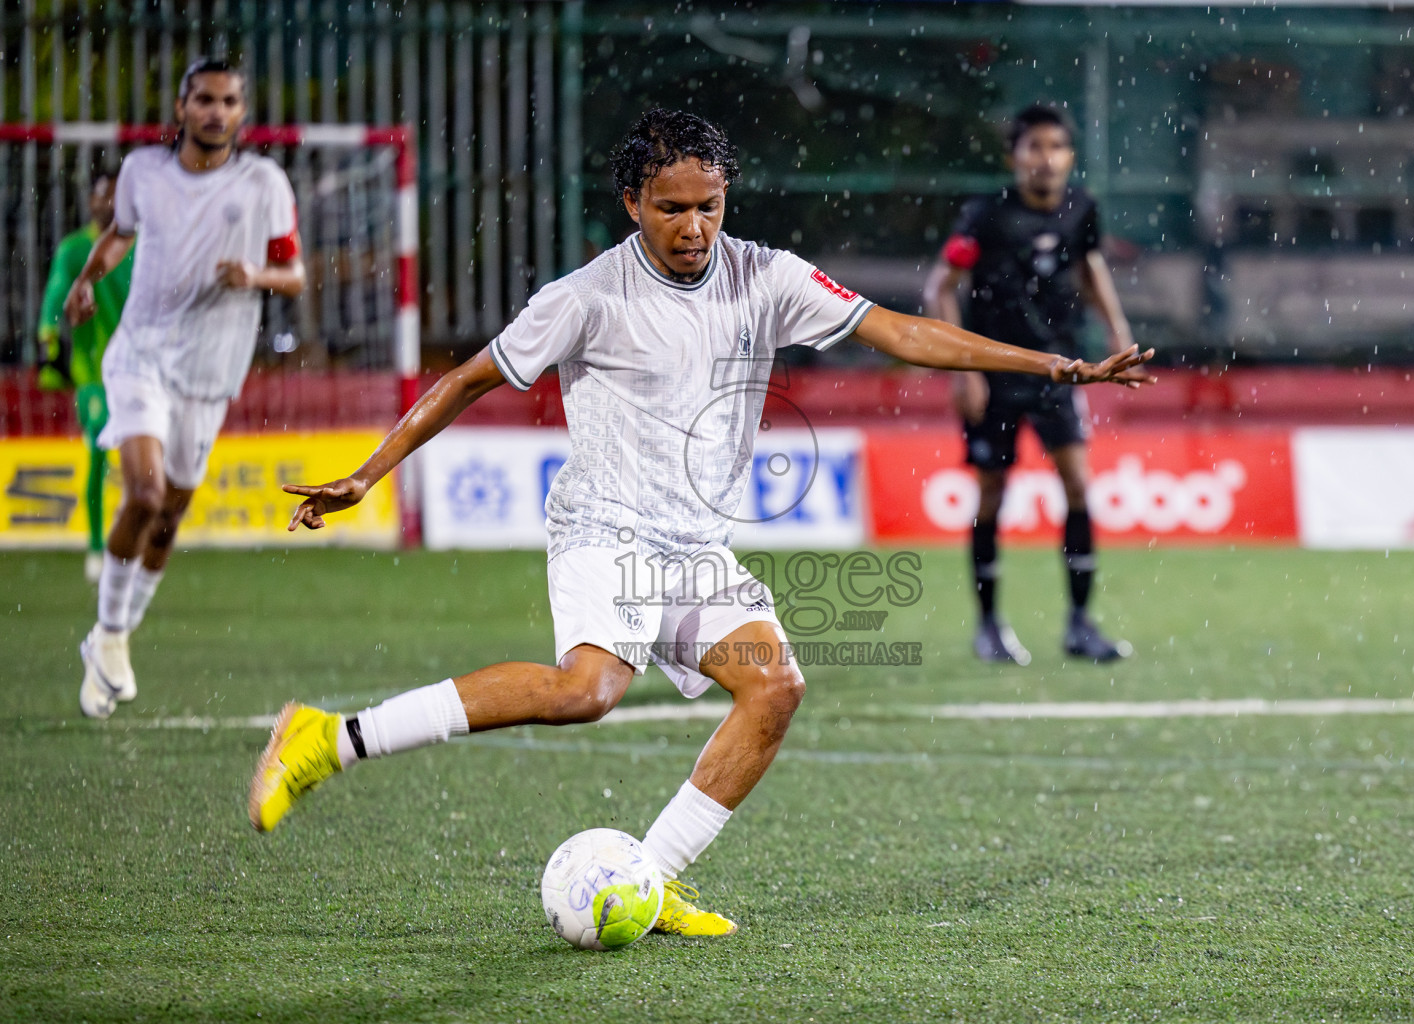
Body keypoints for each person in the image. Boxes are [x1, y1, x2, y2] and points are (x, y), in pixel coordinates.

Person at [249, 109, 1152, 937]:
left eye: (709, 207)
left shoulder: (768, 276)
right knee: (587, 692)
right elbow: (466, 379)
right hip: (604, 527)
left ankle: (653, 876)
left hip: (693, 544)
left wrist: (1052, 365)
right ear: (633, 202)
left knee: (776, 687)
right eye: (671, 208)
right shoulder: (586, 295)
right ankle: (331, 738)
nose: (693, 229)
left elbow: (904, 332)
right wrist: (370, 473)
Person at [67, 58, 305, 719]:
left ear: (241, 113)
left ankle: (111, 637)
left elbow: (296, 274)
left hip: (210, 374)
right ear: (181, 108)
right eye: (203, 99)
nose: (215, 111)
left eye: (228, 101)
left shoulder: (264, 183)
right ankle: (111, 635)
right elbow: (119, 236)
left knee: (169, 515)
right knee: (143, 492)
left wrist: (254, 274)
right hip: (140, 356)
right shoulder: (144, 173)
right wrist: (87, 280)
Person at [923, 103, 1138, 667]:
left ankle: (1080, 624)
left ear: (1069, 156)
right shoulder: (985, 216)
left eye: (1056, 148)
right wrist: (964, 368)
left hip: (1059, 368)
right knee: (992, 491)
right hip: (995, 375)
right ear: (1014, 157)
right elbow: (940, 287)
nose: (1046, 159)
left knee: (1078, 485)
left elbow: (1090, 266)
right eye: (1034, 147)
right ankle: (989, 624)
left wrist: (1118, 332)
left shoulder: (1081, 208)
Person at [37, 172, 135, 583]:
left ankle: (130, 539)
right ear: (91, 202)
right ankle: (97, 545)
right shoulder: (76, 249)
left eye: (116, 195)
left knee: (141, 462)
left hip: (138, 369)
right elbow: (53, 299)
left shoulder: (140, 247)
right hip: (93, 371)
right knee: (98, 447)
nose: (108, 202)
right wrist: (50, 347)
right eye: (101, 195)